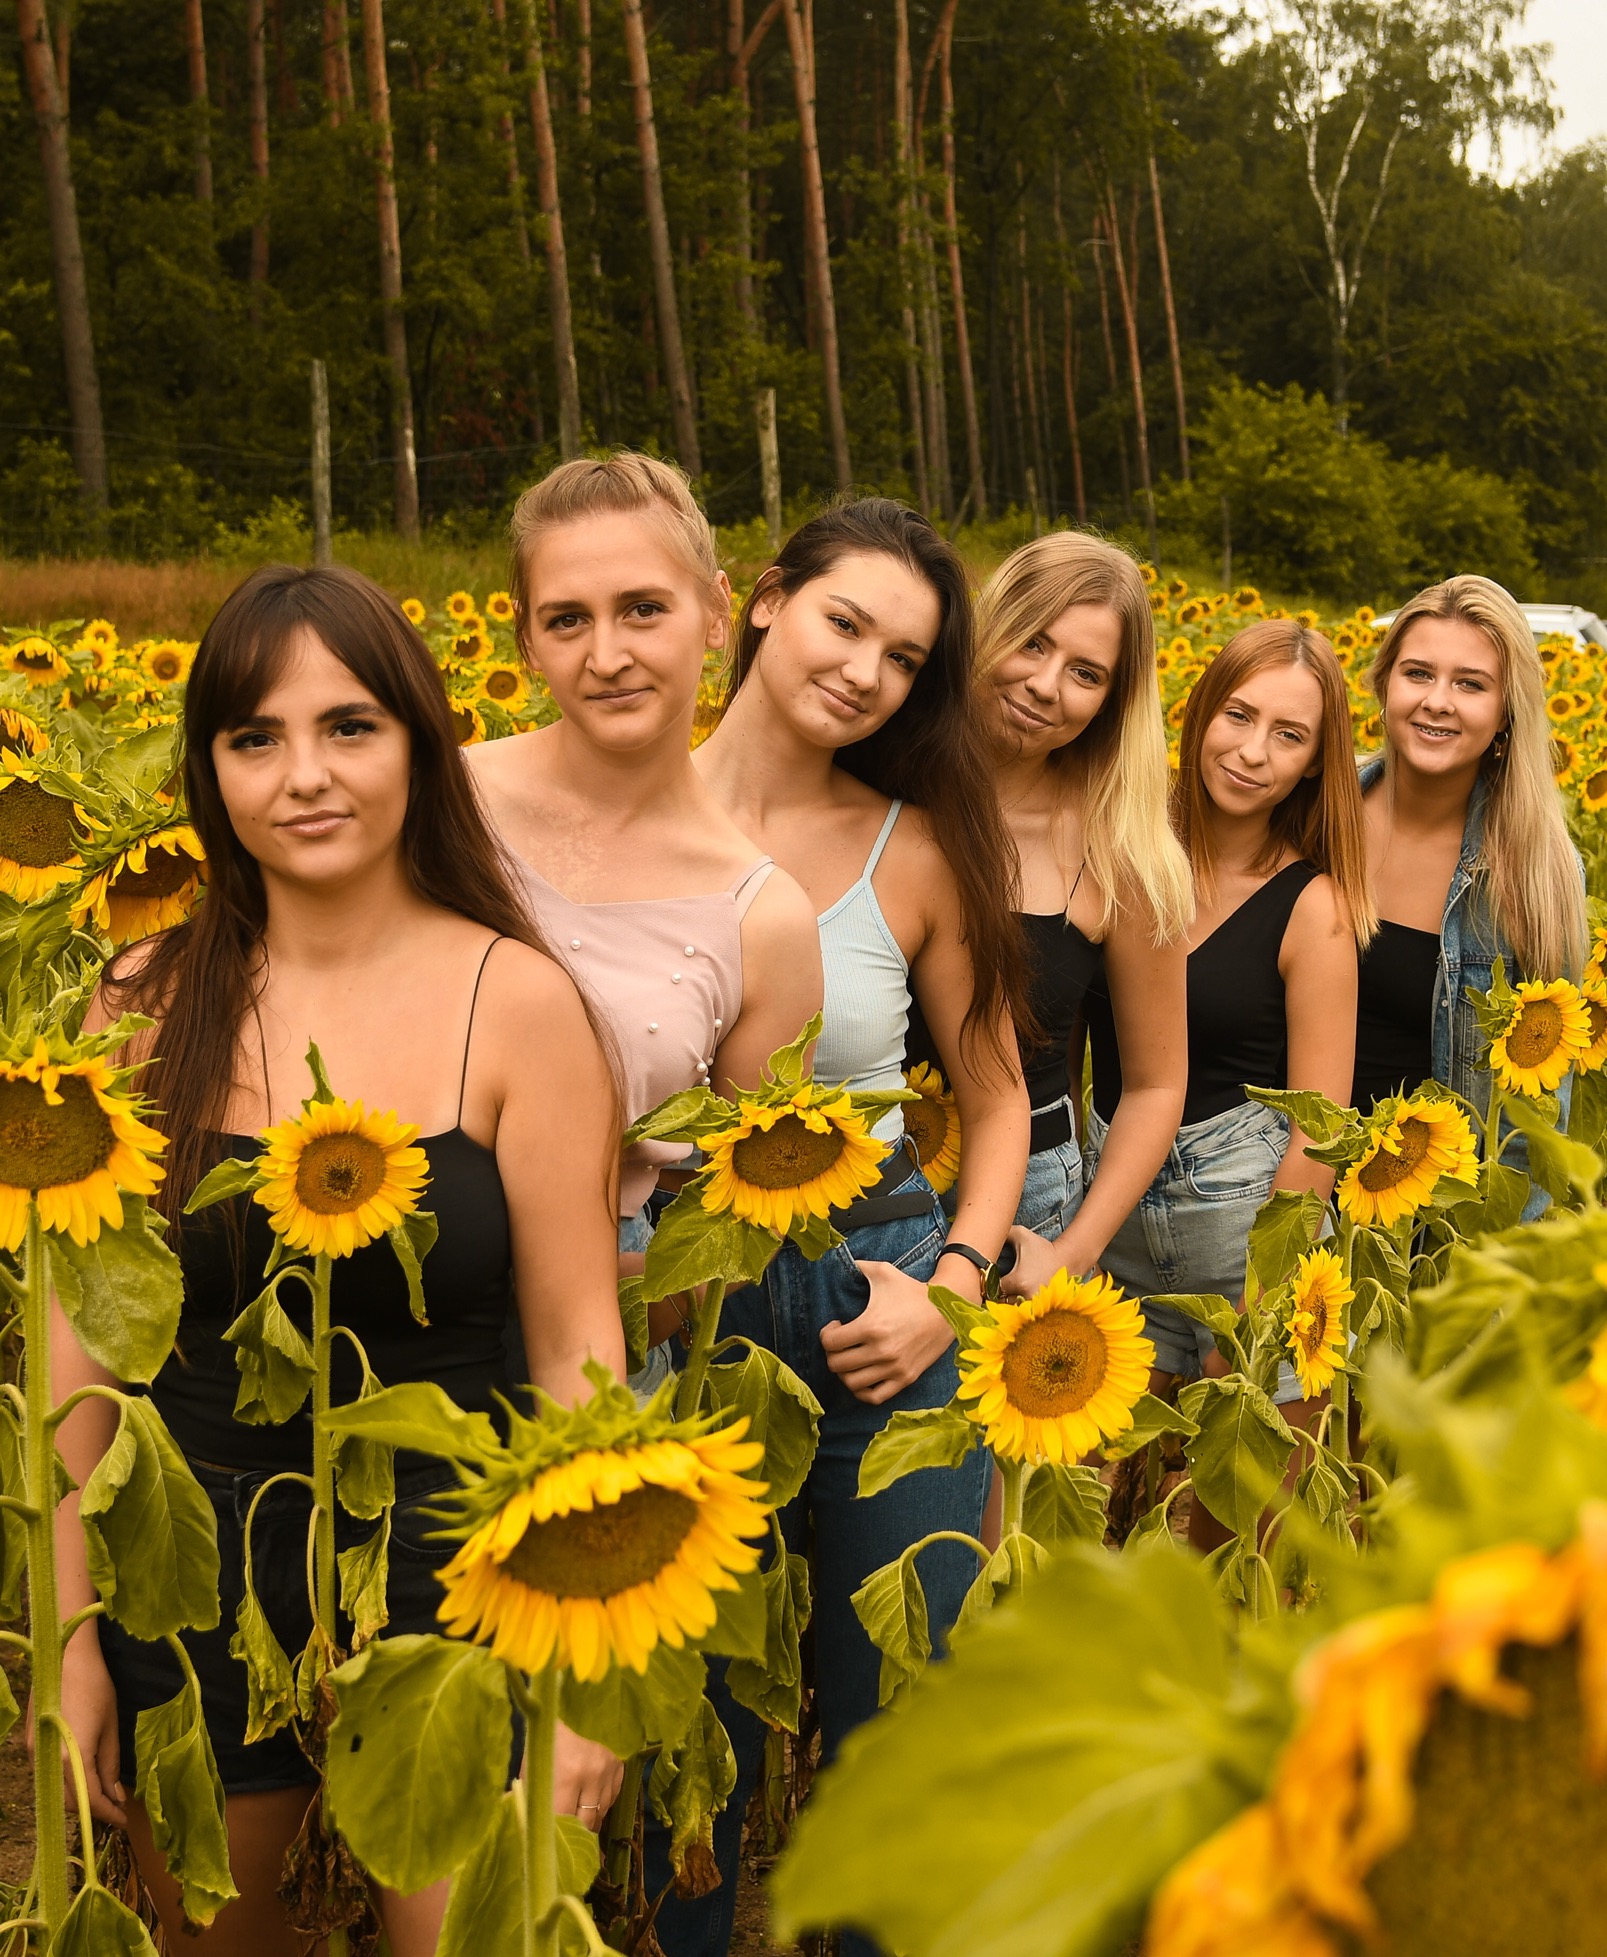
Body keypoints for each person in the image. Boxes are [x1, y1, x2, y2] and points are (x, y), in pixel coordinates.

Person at [48, 567, 626, 1957]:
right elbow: (82, 1355)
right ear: (211, 769)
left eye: (348, 727)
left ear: (421, 743)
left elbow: (575, 1353)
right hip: (192, 1580)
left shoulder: (520, 1002)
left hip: (454, 1588)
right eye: (255, 738)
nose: (302, 774)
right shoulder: (142, 1003)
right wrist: (68, 1642)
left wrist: (589, 1667)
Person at [688, 497, 1031, 1957]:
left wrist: (947, 1283)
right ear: (766, 601)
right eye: (845, 623)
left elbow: (999, 1103)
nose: (864, 673)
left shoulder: (912, 846)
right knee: (668, 1729)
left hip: (874, 1290)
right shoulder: (591, 814)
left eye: (902, 658)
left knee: (903, 1705)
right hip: (667, 1295)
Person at [465, 453, 823, 1339]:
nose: (606, 655)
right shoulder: (443, 802)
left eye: (642, 609)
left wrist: (591, 1320)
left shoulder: (762, 915)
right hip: (372, 1262)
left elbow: (744, 1216)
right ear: (525, 639)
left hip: (616, 1304)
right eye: (565, 620)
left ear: (715, 612)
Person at [1083, 618, 1373, 1389]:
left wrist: (1258, 1306)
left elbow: (1317, 1131)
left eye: (1288, 735)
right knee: (1089, 1495)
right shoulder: (1123, 853)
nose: (1251, 752)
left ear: (1315, 763)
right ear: (1199, 711)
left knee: (1234, 1500)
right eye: (1238, 715)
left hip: (1238, 1232)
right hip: (1105, 1223)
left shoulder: (1314, 909)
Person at [961, 533, 1191, 1283]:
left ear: (1111, 703)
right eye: (1031, 642)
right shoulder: (879, 787)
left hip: (1029, 1198)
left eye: (1085, 673)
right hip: (857, 1173)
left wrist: (1075, 1250)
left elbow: (1156, 1084)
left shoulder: (1117, 850)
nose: (1044, 684)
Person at [1356, 575, 1586, 1137]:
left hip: (1439, 1208)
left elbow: (1533, 1112)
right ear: (1384, 684)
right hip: (1281, 1195)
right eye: (1418, 674)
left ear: (1507, 711)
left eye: (1471, 684)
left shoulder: (1537, 871)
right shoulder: (1311, 818)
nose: (1437, 701)